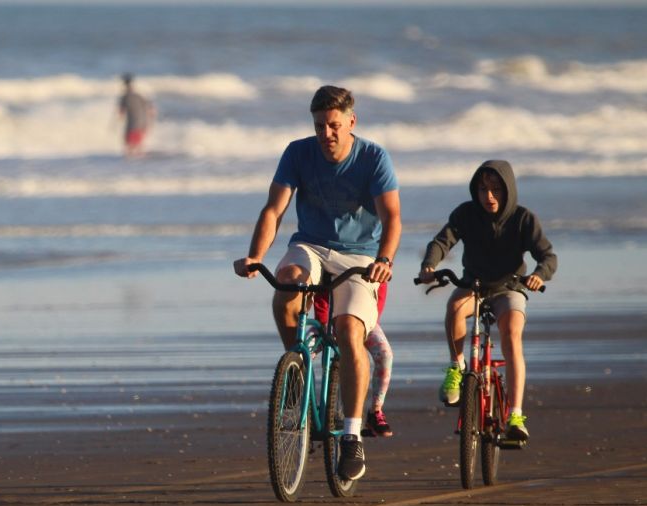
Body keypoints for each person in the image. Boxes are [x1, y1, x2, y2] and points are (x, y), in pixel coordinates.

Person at [233, 85, 401, 481]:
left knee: (348, 328)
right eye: (319, 125)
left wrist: (384, 260)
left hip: (360, 255)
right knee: (286, 287)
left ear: (351, 122)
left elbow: (391, 217)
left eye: (334, 125)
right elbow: (274, 209)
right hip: (309, 246)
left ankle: (352, 434)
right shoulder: (297, 152)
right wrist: (256, 255)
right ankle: (296, 374)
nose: (326, 134)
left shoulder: (374, 157)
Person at [416, 160, 557, 442]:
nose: (488, 196)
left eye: (495, 190)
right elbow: (442, 242)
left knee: (512, 335)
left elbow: (548, 257)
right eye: (482, 189)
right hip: (474, 286)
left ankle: (515, 415)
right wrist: (429, 266)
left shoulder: (523, 218)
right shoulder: (466, 214)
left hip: (509, 288)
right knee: (454, 307)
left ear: (507, 191)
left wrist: (539, 275)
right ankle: (457, 368)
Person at [313, 281, 394, 438]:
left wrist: (367, 321)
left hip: (364, 320)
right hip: (328, 320)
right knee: (303, 351)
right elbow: (322, 294)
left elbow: (379, 294)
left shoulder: (374, 262)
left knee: (385, 355)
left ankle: (375, 411)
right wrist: (323, 321)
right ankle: (302, 400)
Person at [117, 73, 155, 158]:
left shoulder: (125, 97)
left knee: (129, 149)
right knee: (139, 148)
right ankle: (139, 167)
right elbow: (152, 109)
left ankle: (131, 168)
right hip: (143, 123)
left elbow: (121, 113)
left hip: (133, 124)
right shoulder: (139, 95)